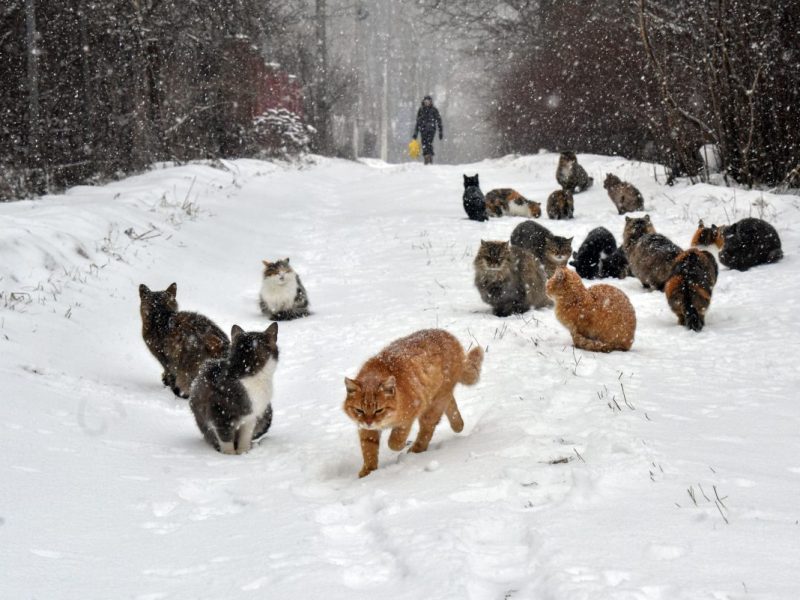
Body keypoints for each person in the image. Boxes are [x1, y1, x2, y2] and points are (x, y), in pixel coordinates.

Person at [412, 95, 443, 165]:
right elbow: (418, 122)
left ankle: (429, 156)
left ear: (430, 102)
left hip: (431, 129)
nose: (427, 103)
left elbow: (439, 121)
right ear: (423, 102)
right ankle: (426, 157)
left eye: (428, 102)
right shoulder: (421, 110)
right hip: (423, 130)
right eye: (425, 102)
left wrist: (440, 132)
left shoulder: (434, 110)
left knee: (429, 142)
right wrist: (415, 133)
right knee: (424, 143)